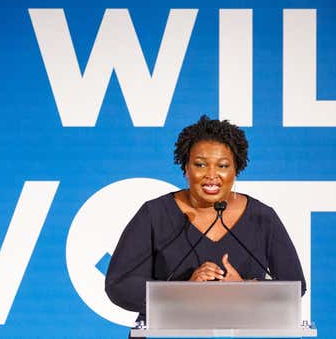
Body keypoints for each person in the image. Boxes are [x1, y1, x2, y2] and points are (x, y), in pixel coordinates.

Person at [105, 115, 306, 324]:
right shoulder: (155, 214)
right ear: (186, 168)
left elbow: (295, 286)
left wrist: (246, 290)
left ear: (236, 169)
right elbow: (119, 285)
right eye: (200, 165)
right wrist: (184, 292)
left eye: (223, 165)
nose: (211, 175)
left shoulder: (262, 218)